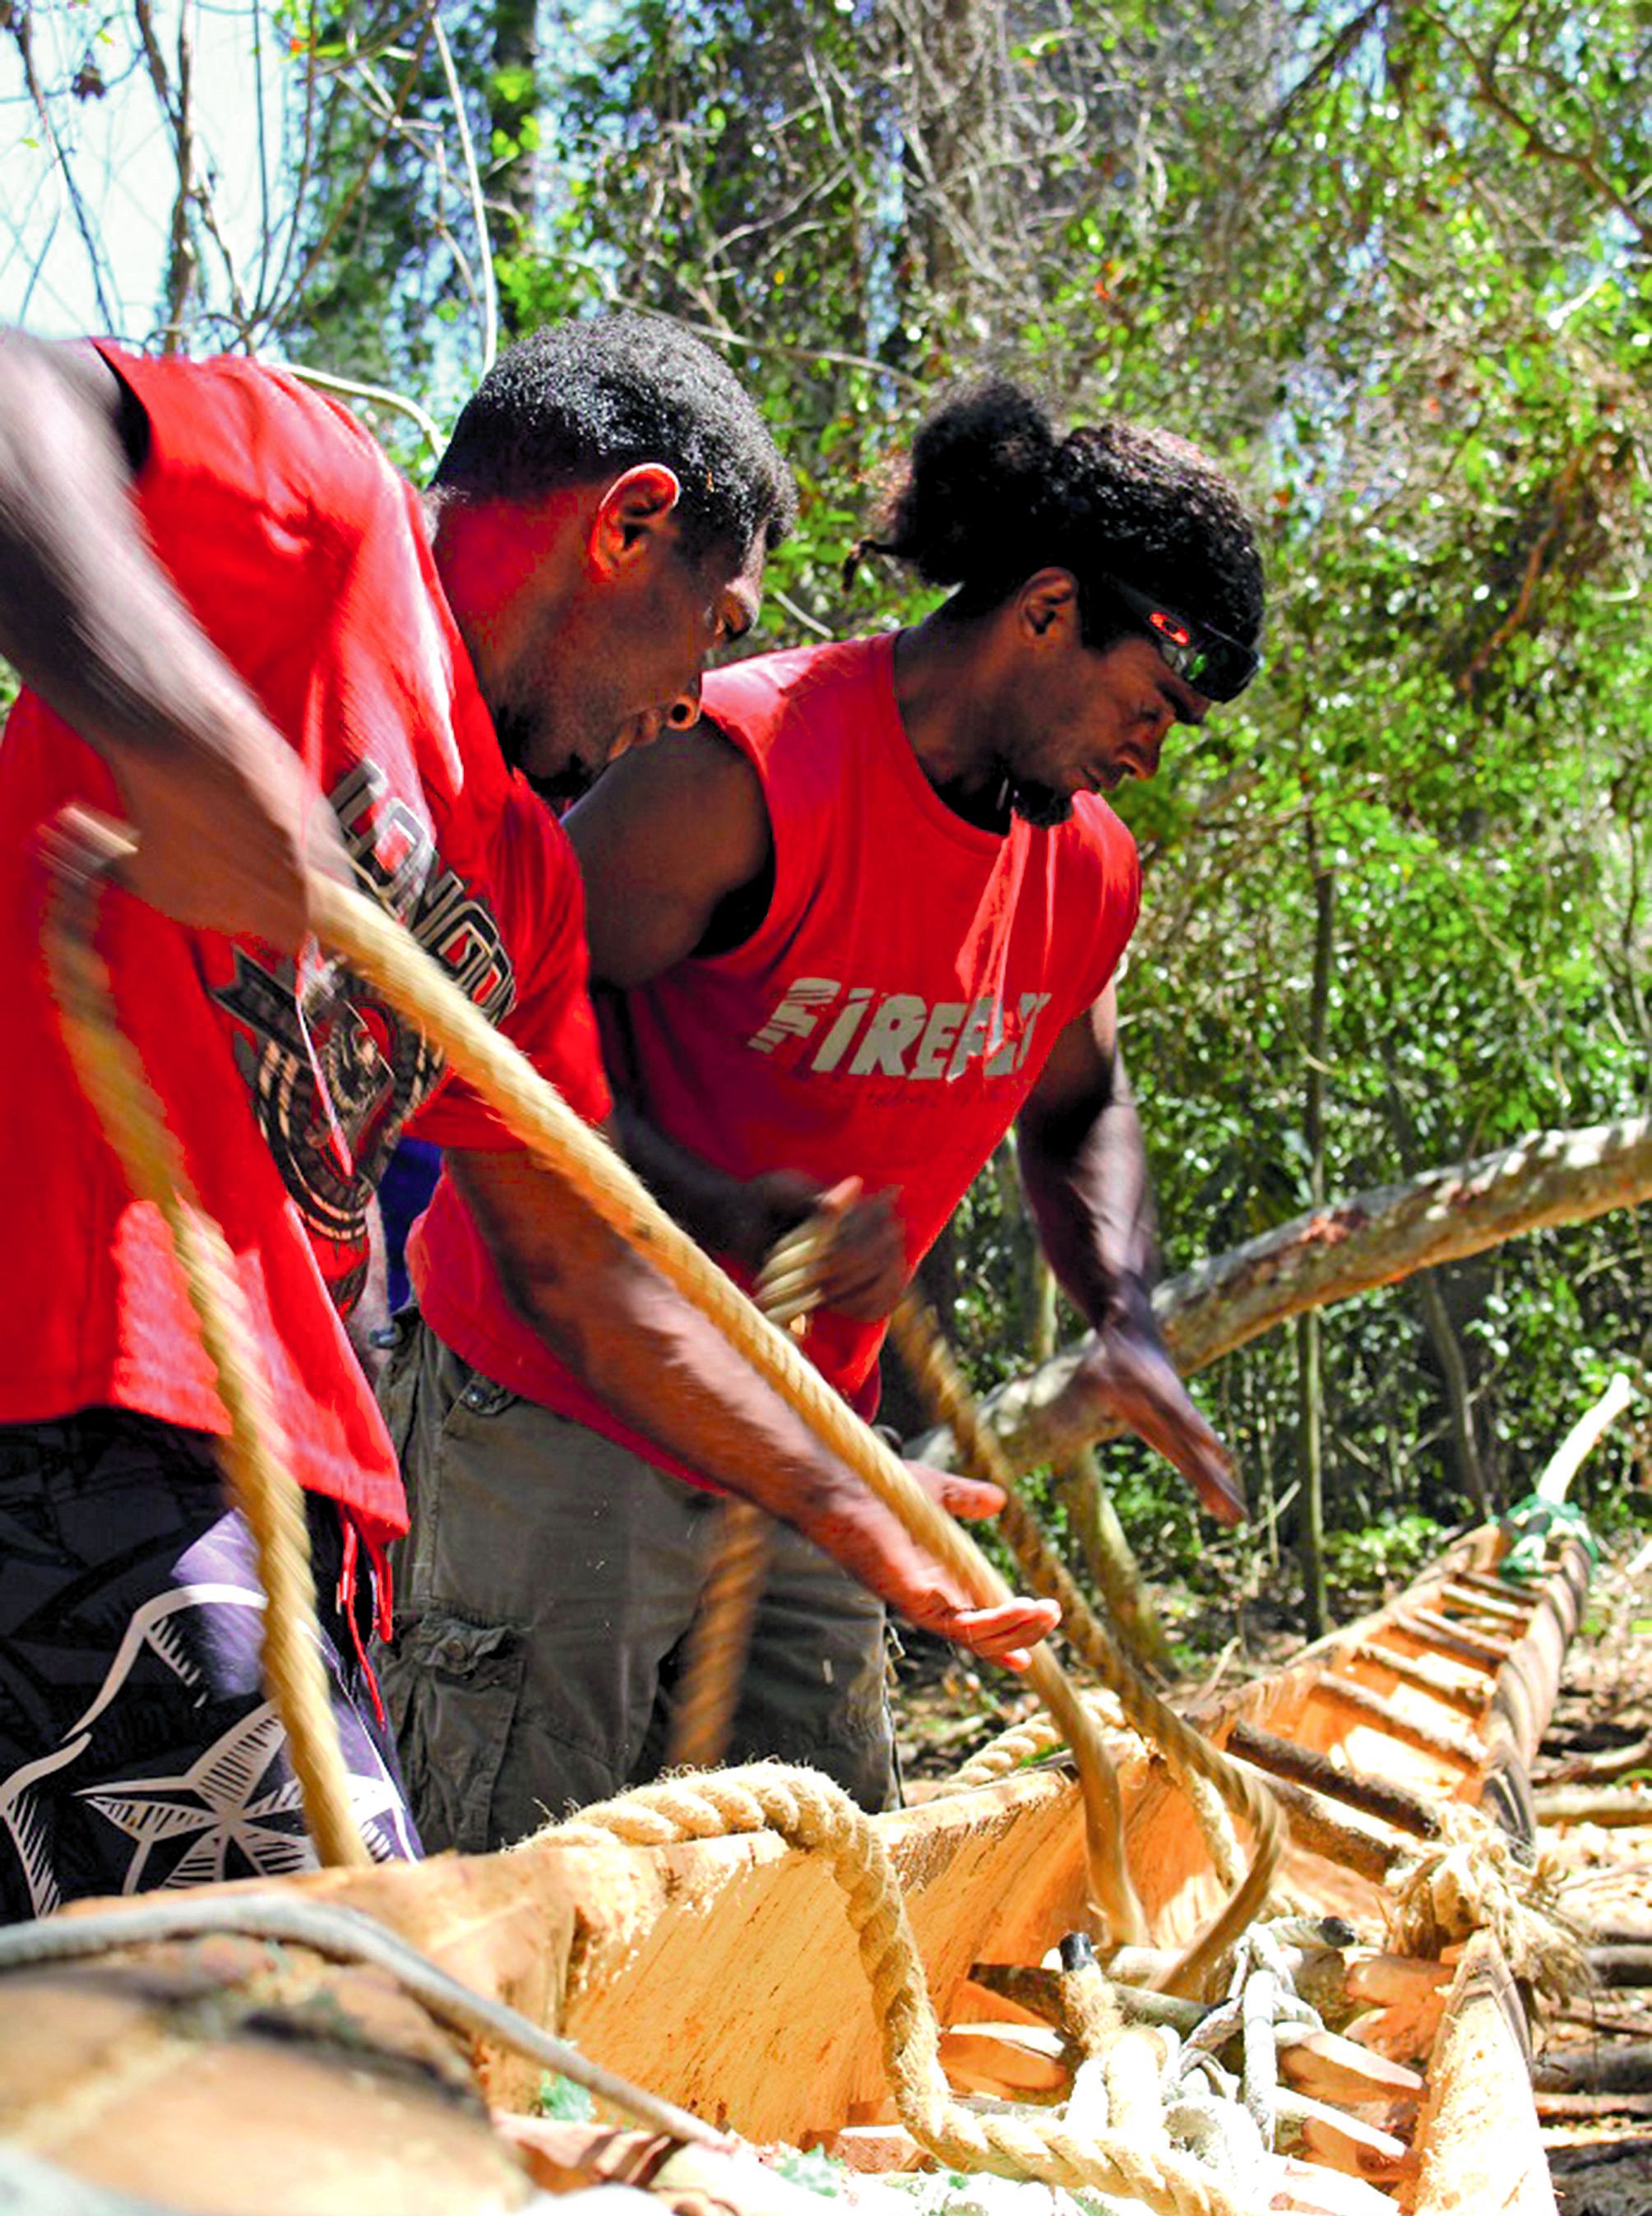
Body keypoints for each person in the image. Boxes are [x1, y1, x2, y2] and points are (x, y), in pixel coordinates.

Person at [0, 321, 1053, 1922]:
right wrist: (171, 731)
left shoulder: (527, 882)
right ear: (625, 523)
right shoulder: (326, 514)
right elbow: (21, 391)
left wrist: (841, 1491)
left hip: (302, 1510)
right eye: (714, 628)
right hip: (89, 1411)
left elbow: (586, 1272)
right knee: (360, 2053)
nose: (697, 696)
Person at [384, 379, 1265, 1839]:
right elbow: (489, 1034)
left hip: (810, 1451)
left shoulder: (1083, 870)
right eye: (1147, 703)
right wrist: (724, 1206)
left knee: (816, 1893)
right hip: (556, 1408)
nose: (1148, 752)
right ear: (1046, 612)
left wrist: (1123, 1315)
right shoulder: (738, 770)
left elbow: (1078, 1099)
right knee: (521, 1895)